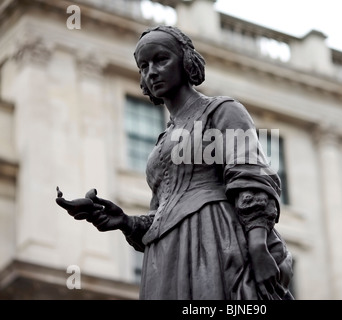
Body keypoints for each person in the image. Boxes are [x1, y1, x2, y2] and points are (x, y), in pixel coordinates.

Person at [56, 25, 294, 300]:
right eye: (143, 66)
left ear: (186, 61)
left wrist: (257, 246)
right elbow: (163, 211)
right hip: (165, 252)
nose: (151, 72)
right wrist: (125, 222)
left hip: (212, 236)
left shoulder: (222, 110)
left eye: (161, 60)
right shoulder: (162, 142)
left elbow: (250, 176)